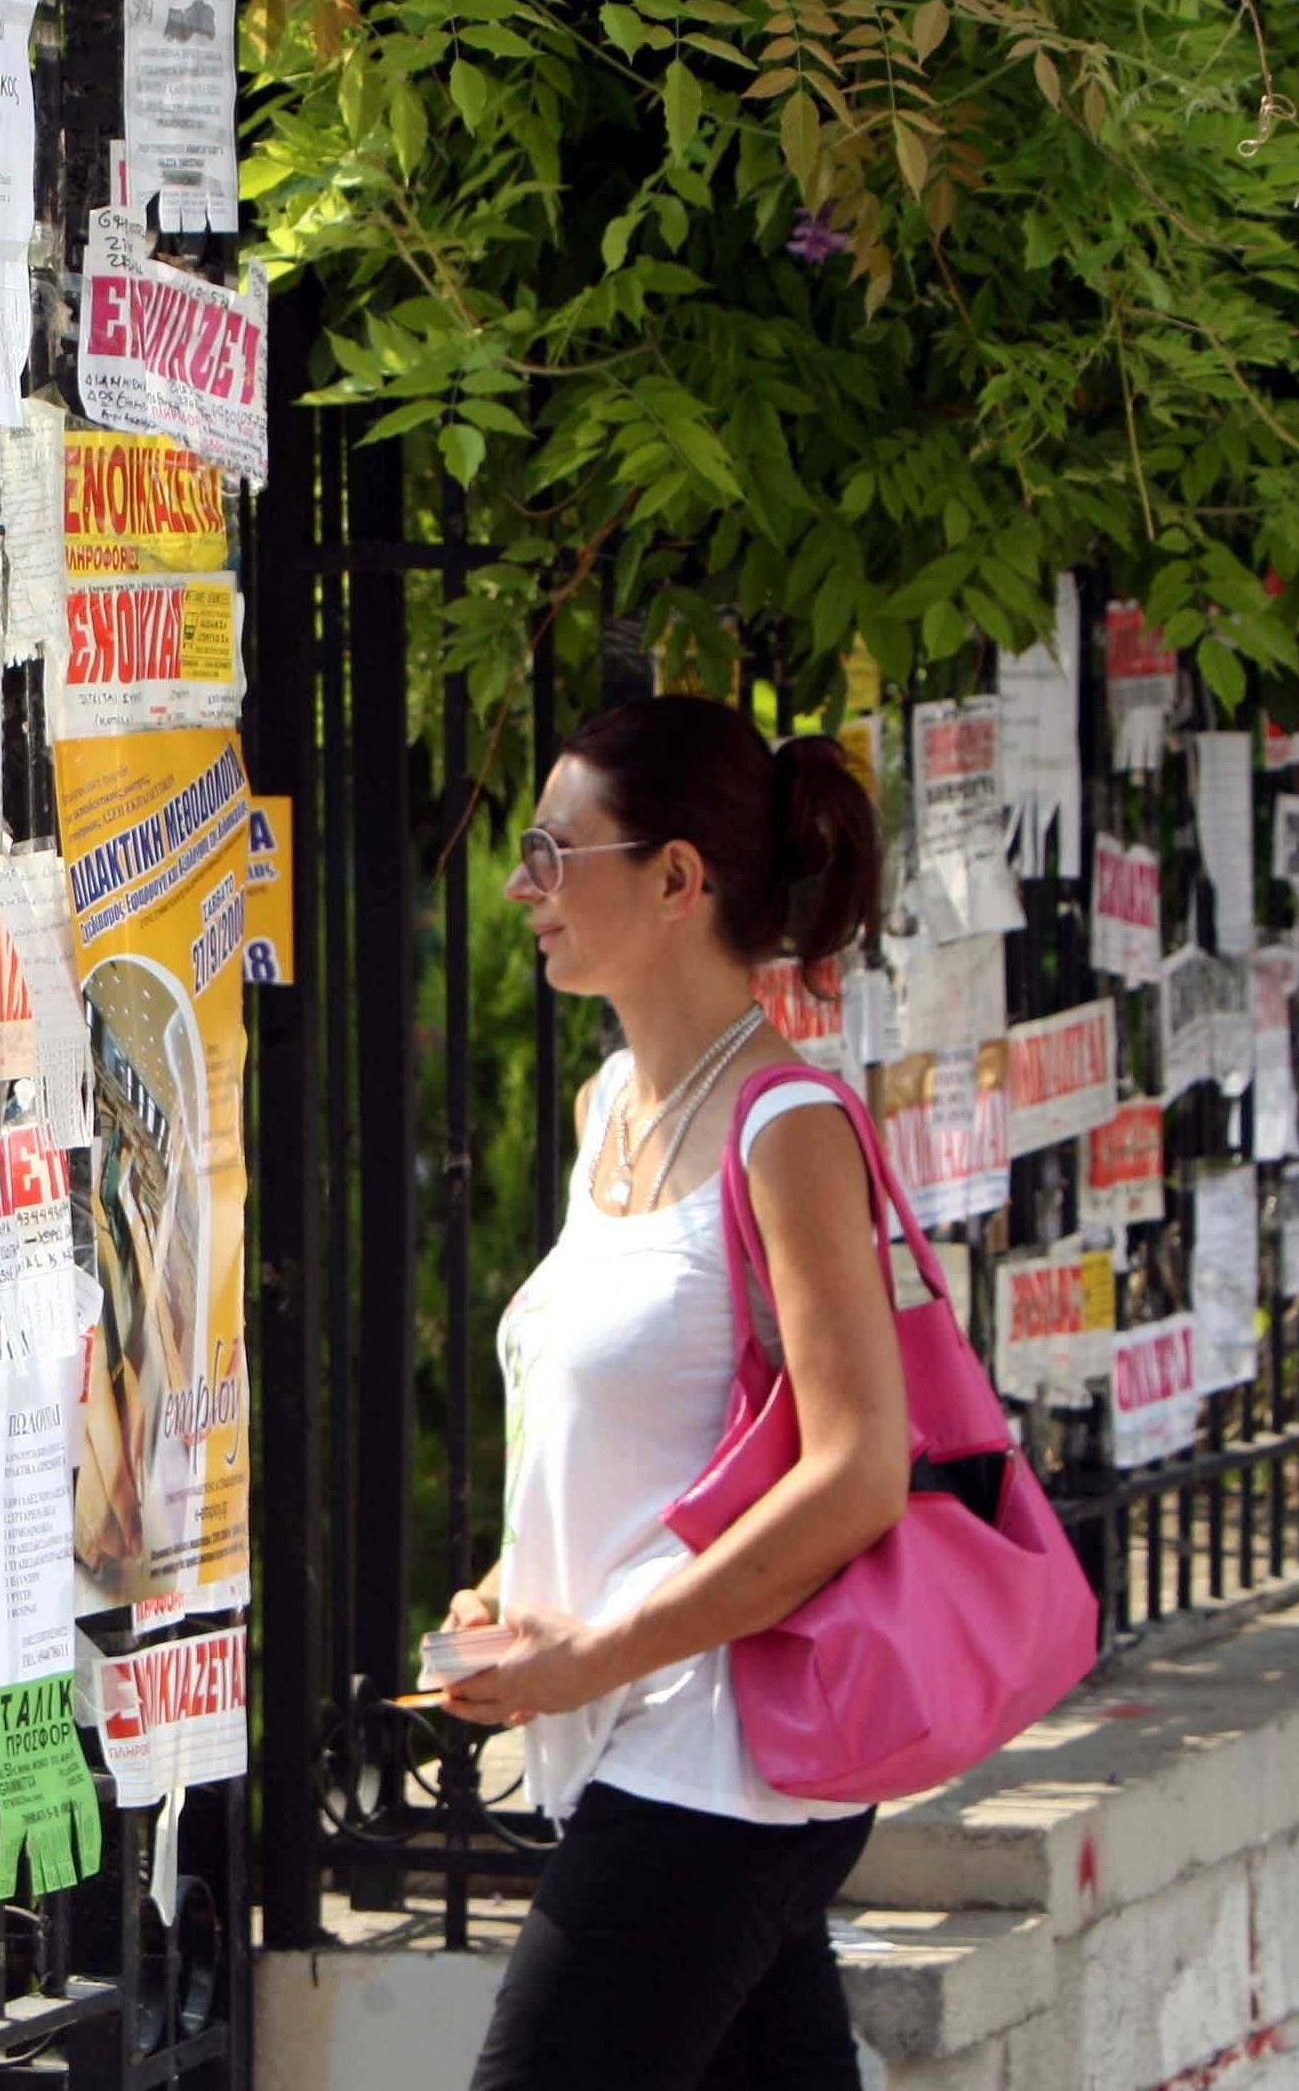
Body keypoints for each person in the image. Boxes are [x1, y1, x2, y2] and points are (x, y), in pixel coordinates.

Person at [448, 695, 914, 2091]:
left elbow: (858, 1470)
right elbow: (634, 1440)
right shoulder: (609, 1110)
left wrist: (596, 1655)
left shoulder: (789, 1129)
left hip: (714, 1747)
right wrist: (507, 1592)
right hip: (635, 1733)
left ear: (673, 879)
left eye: (554, 848)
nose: (524, 884)